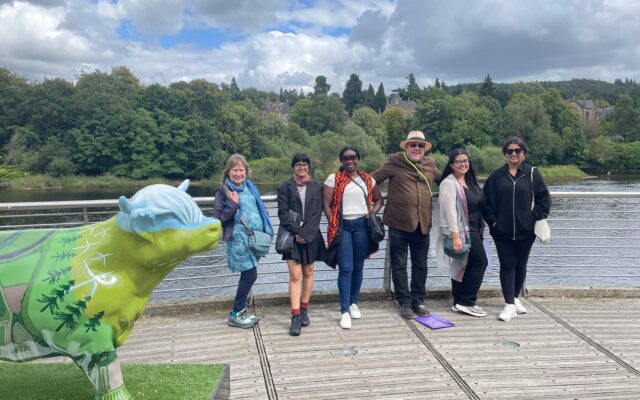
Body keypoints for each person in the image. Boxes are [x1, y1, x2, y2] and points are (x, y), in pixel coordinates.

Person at [371, 131, 441, 319]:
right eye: (413, 145)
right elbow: (371, 179)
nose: (417, 148)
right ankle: (404, 303)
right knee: (399, 265)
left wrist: (465, 182)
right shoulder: (394, 161)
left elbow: (445, 181)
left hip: (423, 224)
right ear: (406, 147)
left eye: (420, 145)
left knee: (421, 265)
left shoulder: (430, 163)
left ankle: (418, 301)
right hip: (399, 224)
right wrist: (374, 201)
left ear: (424, 148)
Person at [483, 137, 551, 322]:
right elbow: (486, 201)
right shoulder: (497, 176)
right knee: (507, 265)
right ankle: (509, 305)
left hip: (526, 231)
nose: (513, 154)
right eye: (509, 151)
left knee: (521, 264)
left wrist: (531, 219)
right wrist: (493, 222)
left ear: (523, 154)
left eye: (517, 150)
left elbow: (544, 199)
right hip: (502, 231)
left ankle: (515, 298)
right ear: (505, 155)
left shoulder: (532, 174)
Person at [323, 146, 383, 329]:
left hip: (362, 226)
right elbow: (326, 204)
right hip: (343, 227)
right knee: (346, 268)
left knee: (358, 266)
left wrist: (372, 211)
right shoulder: (334, 178)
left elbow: (379, 199)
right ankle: (344, 311)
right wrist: (333, 222)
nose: (350, 161)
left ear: (358, 159)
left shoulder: (367, 179)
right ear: (341, 160)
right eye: (346, 158)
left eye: (353, 157)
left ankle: (354, 302)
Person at [214, 154, 273, 329]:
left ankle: (241, 311)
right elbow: (219, 218)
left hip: (254, 239)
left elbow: (258, 208)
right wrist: (232, 204)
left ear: (246, 172)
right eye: (235, 170)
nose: (238, 173)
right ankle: (235, 313)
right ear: (228, 172)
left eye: (241, 170)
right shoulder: (222, 191)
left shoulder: (251, 187)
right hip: (239, 241)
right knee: (250, 275)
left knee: (248, 275)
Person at [277, 153, 327, 336]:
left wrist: (307, 234)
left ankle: (304, 308)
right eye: (298, 164)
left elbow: (317, 213)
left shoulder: (317, 186)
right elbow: (282, 214)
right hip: (292, 236)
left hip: (311, 236)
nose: (302, 167)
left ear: (309, 167)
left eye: (305, 164)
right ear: (293, 167)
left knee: (308, 272)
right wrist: (298, 233)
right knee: (294, 275)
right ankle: (295, 316)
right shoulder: (284, 187)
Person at [435, 149, 488, 317]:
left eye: (465, 160)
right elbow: (449, 211)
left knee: (463, 266)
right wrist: (455, 236)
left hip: (475, 229)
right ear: (451, 165)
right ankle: (467, 301)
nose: (463, 163)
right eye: (458, 161)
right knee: (480, 263)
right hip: (463, 232)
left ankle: (458, 301)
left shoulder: (470, 181)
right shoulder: (449, 183)